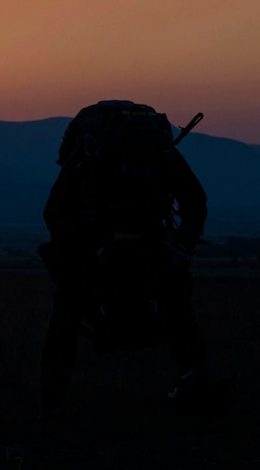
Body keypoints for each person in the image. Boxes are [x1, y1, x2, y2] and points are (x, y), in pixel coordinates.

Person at [38, 100, 215, 421]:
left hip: (117, 251)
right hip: (146, 250)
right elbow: (195, 202)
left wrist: (74, 256)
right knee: (177, 309)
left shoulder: (87, 156)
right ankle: (196, 382)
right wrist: (181, 249)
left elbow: (54, 212)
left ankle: (50, 403)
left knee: (66, 313)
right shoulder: (161, 154)